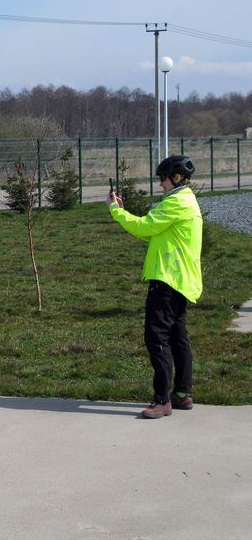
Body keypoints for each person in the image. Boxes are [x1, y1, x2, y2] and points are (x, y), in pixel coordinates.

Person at [107, 155, 203, 419]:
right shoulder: (185, 201)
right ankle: (183, 394)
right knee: (177, 337)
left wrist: (115, 211)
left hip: (167, 280)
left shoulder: (176, 202)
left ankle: (162, 400)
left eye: (162, 179)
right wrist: (124, 214)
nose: (160, 184)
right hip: (180, 280)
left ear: (177, 178)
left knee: (156, 337)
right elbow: (149, 232)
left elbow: (146, 225)